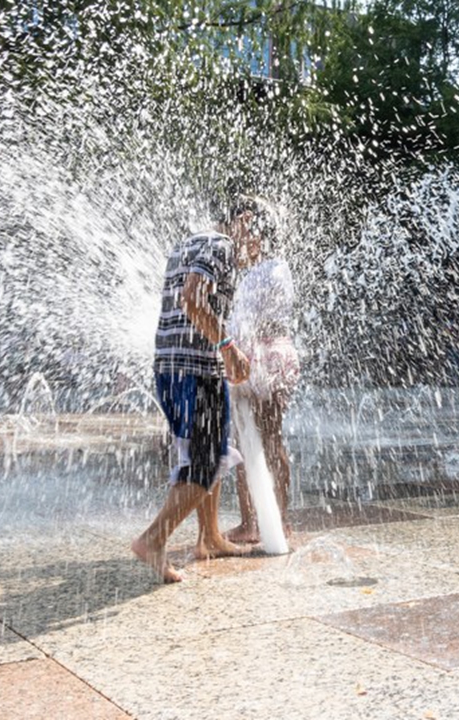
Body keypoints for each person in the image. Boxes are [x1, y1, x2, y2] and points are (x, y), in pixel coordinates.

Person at [131, 195, 270, 583]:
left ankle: (208, 537)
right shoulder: (221, 246)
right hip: (193, 368)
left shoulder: (192, 242)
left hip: (179, 365)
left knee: (211, 450)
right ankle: (152, 539)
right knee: (205, 462)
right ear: (245, 221)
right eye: (262, 239)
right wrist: (228, 349)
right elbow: (192, 298)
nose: (259, 253)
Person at [224, 253, 301, 546]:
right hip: (275, 353)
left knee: (256, 439)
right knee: (267, 439)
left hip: (263, 356)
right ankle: (277, 520)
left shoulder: (268, 269)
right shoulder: (275, 267)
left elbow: (253, 320)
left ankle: (255, 524)